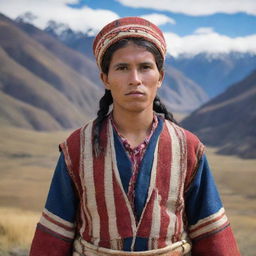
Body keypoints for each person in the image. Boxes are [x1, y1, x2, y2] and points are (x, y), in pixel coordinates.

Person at [29, 17, 240, 255]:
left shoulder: (187, 147)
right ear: (105, 79)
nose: (135, 79)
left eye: (145, 67)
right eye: (122, 68)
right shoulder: (78, 147)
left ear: (160, 77)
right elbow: (54, 234)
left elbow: (211, 233)